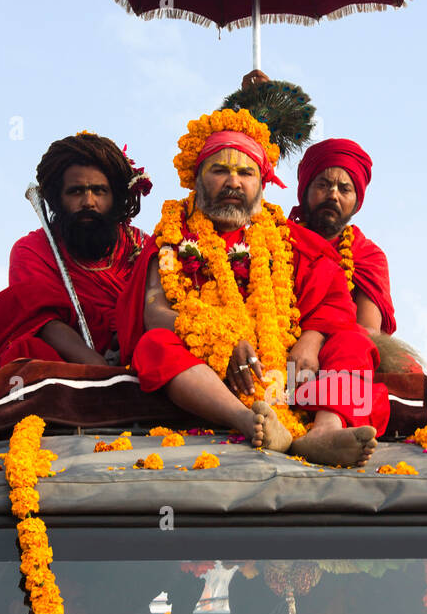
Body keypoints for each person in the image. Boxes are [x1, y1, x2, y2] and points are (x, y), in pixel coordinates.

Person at [114, 109, 388, 468]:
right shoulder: (172, 235)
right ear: (197, 179)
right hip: (209, 372)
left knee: (353, 342)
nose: (233, 182)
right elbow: (155, 312)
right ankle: (250, 422)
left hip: (287, 376)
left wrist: (312, 339)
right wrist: (221, 343)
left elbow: (332, 297)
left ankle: (324, 432)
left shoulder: (284, 236)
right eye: (219, 170)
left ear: (262, 184)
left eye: (246, 173)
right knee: (155, 346)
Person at [0, 133, 151, 384]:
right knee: (26, 353)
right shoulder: (32, 249)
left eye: (99, 191)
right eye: (76, 191)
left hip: (138, 357)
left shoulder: (142, 245)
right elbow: (43, 320)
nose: (88, 202)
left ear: (115, 197)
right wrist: (98, 368)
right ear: (57, 199)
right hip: (70, 365)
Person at [289, 138, 396, 334]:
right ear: (305, 191)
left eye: (344, 189)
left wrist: (316, 337)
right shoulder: (277, 239)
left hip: (343, 350)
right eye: (323, 185)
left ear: (357, 201)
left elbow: (368, 329)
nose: (333, 195)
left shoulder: (367, 255)